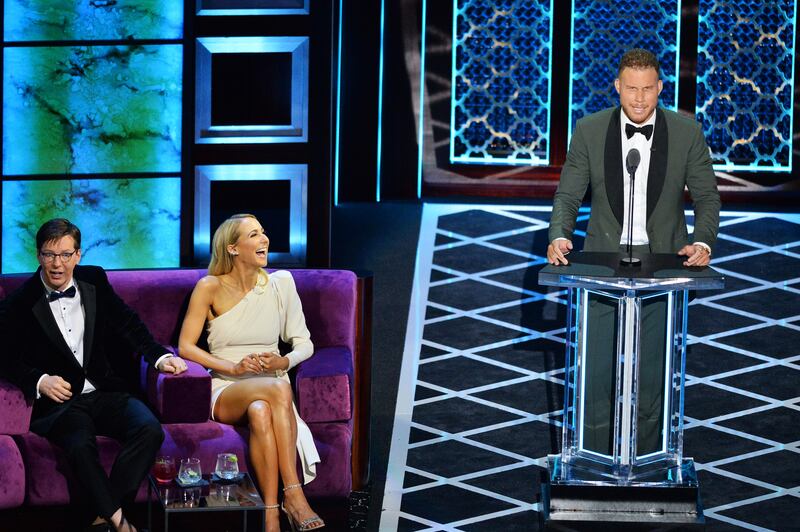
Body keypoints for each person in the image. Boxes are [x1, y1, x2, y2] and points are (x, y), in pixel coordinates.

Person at [546, 49, 720, 454]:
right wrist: (558, 235)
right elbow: (568, 195)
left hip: (663, 263)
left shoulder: (686, 132)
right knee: (596, 368)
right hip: (602, 261)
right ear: (617, 87)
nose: (639, 100)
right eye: (630, 89)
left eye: (647, 90)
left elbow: (707, 197)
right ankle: (593, 458)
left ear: (659, 88)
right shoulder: (589, 130)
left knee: (654, 371)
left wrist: (702, 241)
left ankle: (649, 459)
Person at [0, 218, 187, 532]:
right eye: (49, 255)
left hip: (105, 390)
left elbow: (127, 322)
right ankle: (121, 524)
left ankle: (103, 519)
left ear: (78, 255)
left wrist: (159, 356)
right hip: (62, 404)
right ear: (38, 255)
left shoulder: (94, 280)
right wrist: (40, 380)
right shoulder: (20, 302)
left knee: (149, 429)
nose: (57, 264)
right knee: (79, 445)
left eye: (65, 254)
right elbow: (4, 357)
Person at [178, 213, 324, 532]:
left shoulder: (281, 284)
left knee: (260, 410)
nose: (264, 239)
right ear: (232, 248)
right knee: (279, 390)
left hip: (270, 385)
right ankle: (294, 494)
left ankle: (270, 514)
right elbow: (186, 347)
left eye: (263, 232)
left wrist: (283, 362)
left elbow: (305, 343)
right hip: (227, 386)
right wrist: (234, 367)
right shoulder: (209, 286)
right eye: (254, 235)